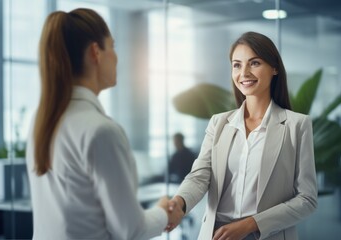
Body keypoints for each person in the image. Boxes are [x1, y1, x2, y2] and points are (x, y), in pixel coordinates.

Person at [26, 8, 182, 240]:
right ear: (95, 52)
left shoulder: (41, 121)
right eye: (113, 46)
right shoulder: (101, 131)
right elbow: (131, 229)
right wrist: (164, 213)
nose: (116, 57)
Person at [167, 31, 318, 240]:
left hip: (266, 234)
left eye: (254, 63)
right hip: (216, 234)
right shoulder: (219, 123)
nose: (244, 72)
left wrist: (250, 224)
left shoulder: (296, 126)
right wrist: (179, 204)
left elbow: (307, 199)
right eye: (237, 65)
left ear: (274, 68)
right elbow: (199, 176)